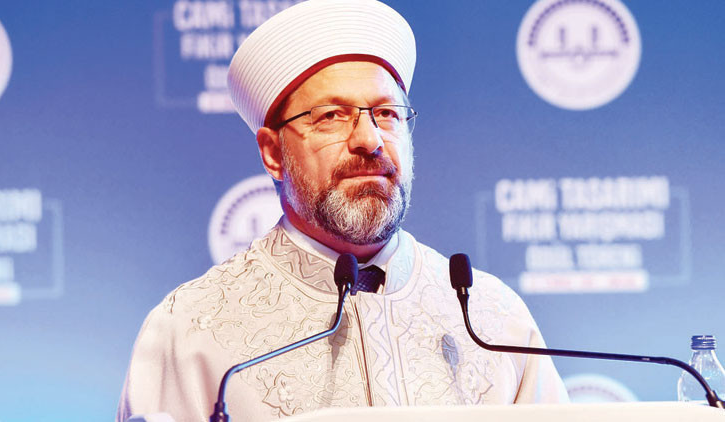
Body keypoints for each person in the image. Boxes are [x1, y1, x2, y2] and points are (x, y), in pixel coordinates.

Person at [117, 1, 568, 421]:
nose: (370, 140)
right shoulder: (191, 330)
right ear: (273, 153)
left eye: (387, 114)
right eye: (332, 115)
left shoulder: (492, 316)